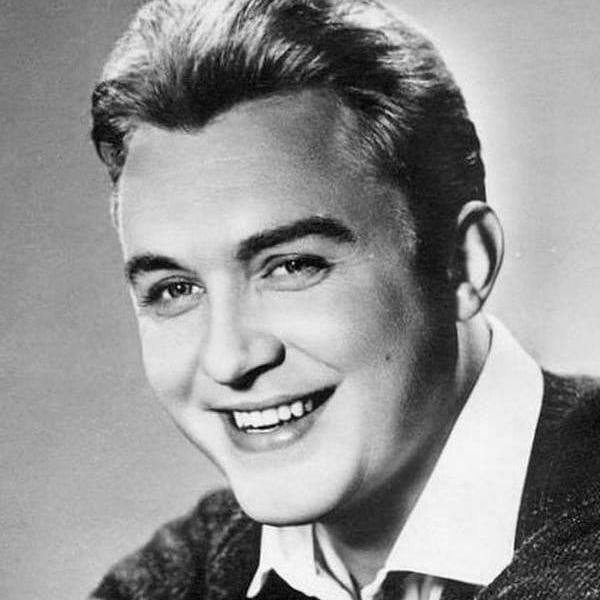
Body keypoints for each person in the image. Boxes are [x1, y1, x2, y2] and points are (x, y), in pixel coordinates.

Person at [89, 1, 600, 598]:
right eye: (175, 289)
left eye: (292, 266)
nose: (228, 359)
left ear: (464, 263)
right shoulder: (183, 576)